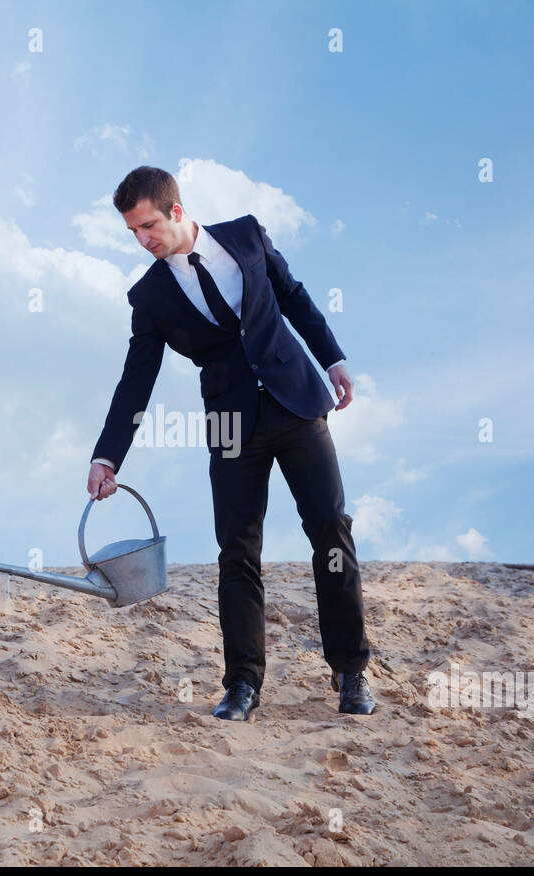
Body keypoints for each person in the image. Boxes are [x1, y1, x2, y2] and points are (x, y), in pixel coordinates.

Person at [87, 166, 374, 720]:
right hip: (229, 423)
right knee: (238, 551)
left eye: (148, 226)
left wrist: (333, 358)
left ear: (175, 211)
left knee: (331, 533)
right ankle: (243, 684)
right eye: (133, 233)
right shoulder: (148, 296)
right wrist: (108, 456)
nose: (143, 241)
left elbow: (293, 297)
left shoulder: (246, 235)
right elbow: (136, 379)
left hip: (297, 402)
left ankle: (351, 672)